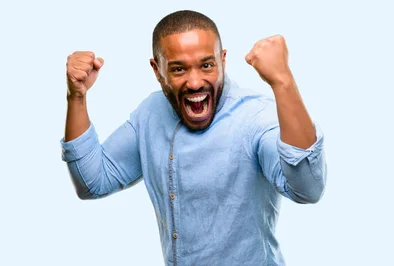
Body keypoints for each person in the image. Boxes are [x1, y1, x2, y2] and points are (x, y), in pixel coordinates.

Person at [60, 9, 327, 266]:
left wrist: (283, 81)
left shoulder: (254, 116)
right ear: (157, 70)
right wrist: (77, 96)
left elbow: (308, 188)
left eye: (207, 65)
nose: (195, 82)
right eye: (178, 69)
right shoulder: (150, 114)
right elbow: (93, 182)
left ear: (223, 60)